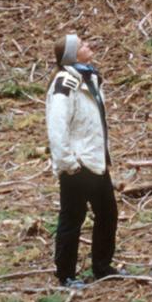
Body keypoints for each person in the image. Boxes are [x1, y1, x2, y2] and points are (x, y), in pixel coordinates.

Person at [46, 32, 118, 285]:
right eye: (82, 45)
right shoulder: (65, 82)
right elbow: (57, 125)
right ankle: (65, 275)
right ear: (72, 55)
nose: (89, 45)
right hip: (77, 164)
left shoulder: (88, 79)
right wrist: (67, 163)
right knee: (72, 219)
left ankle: (102, 266)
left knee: (108, 213)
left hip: (95, 160)